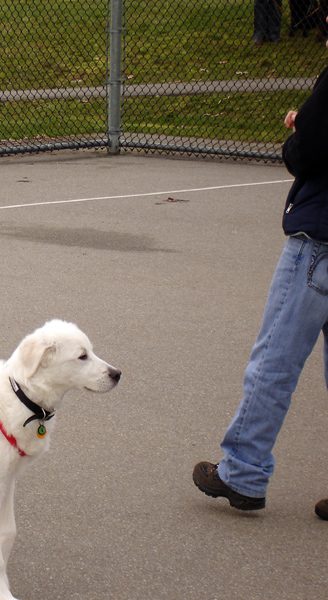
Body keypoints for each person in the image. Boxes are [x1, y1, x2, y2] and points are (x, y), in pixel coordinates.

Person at [193, 16, 328, 521]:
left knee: (275, 360)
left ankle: (243, 471)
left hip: (318, 244)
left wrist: (298, 131)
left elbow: (308, 152)